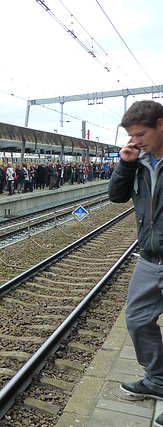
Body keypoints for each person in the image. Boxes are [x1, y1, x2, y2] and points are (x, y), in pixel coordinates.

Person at [108, 101, 163, 425]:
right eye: (131, 136)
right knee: (138, 320)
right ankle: (157, 380)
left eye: (140, 134)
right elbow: (116, 197)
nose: (135, 141)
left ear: (161, 125)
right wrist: (126, 164)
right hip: (149, 257)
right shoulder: (139, 161)